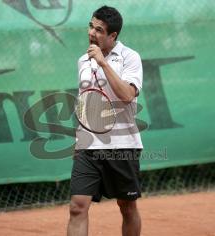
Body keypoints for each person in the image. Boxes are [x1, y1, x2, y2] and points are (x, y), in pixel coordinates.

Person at [67, 5, 143, 236]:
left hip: (122, 146)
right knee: (77, 207)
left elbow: (127, 94)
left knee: (127, 206)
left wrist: (103, 63)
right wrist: (79, 138)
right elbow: (86, 101)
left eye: (99, 30)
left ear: (113, 35)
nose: (92, 33)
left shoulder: (130, 57)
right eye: (91, 26)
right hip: (88, 146)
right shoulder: (82, 61)